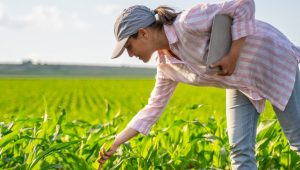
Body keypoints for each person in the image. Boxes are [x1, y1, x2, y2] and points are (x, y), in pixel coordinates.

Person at [98, 0, 300, 169]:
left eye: (129, 47)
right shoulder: (166, 67)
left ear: (143, 33)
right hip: (242, 81)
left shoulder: (188, 21)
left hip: (272, 60)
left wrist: (233, 54)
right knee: (239, 150)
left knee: (297, 139)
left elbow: (243, 4)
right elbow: (152, 109)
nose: (130, 54)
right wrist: (116, 142)